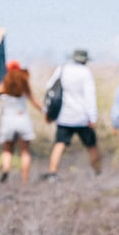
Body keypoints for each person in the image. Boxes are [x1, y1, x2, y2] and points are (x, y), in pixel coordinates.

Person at [45, 49, 101, 177]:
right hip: (82, 117)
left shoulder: (62, 69)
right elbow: (90, 96)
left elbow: (50, 89)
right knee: (91, 146)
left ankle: (52, 173)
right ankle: (97, 172)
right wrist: (93, 117)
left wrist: (48, 112)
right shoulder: (85, 73)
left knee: (59, 144)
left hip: (64, 116)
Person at [0, 58, 42, 185]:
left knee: (7, 150)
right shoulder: (24, 83)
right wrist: (45, 112)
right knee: (25, 151)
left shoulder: (4, 84)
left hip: (8, 119)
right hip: (22, 118)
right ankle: (25, 178)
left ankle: (6, 170)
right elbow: (34, 101)